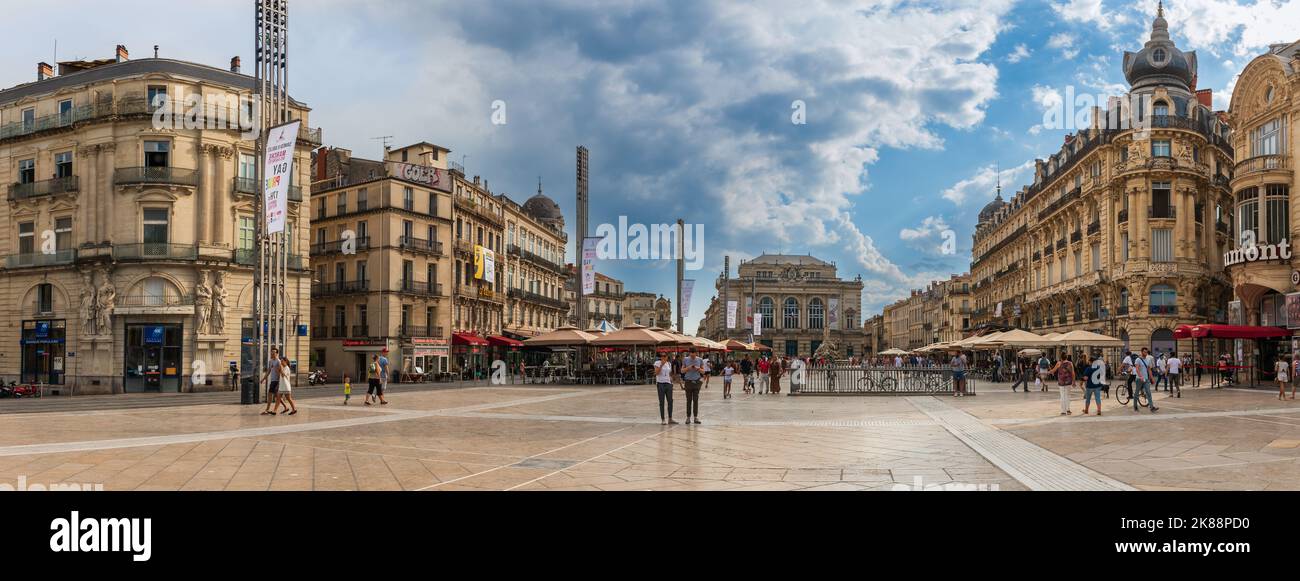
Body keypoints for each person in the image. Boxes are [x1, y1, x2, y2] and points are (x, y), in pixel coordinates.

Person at [681, 349, 704, 424]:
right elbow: (682, 371)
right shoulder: (685, 359)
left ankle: (695, 417)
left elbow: (703, 371)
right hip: (688, 382)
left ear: (696, 353)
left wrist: (698, 369)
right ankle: (688, 417)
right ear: (689, 353)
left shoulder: (700, 360)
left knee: (696, 400)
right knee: (688, 400)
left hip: (696, 382)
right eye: (691, 353)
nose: (692, 355)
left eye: (693, 353)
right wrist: (688, 368)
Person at [1132, 347, 1158, 413]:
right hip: (1139, 379)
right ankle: (1135, 406)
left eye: (1146, 352)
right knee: (1137, 393)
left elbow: (1149, 370)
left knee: (1148, 393)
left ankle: (1152, 407)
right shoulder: (1138, 359)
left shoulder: (1148, 359)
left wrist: (1152, 378)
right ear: (1141, 352)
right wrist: (1140, 376)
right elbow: (1137, 369)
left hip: (1146, 379)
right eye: (1144, 352)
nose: (1146, 353)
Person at [654, 352, 677, 425]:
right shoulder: (657, 363)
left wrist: (672, 380)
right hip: (660, 384)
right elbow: (656, 373)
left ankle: (670, 418)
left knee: (670, 401)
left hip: (668, 384)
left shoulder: (669, 363)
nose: (663, 357)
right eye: (661, 356)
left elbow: (669, 373)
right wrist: (661, 365)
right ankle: (663, 419)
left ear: (667, 357)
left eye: (664, 356)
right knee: (662, 402)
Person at [260, 346, 283, 416]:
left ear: (277, 354)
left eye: (274, 353)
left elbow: (280, 372)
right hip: (273, 380)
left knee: (270, 394)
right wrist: (263, 379)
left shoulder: (279, 361)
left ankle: (267, 410)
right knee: (276, 396)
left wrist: (279, 382)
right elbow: (269, 371)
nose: (272, 354)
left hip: (276, 381)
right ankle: (286, 407)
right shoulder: (270, 361)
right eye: (271, 353)